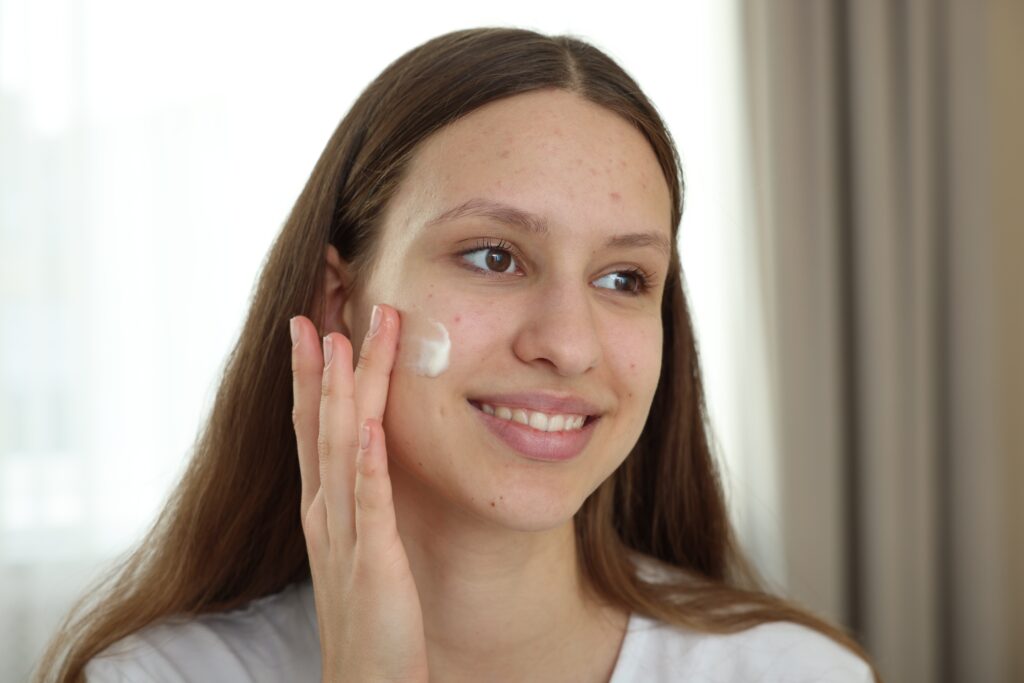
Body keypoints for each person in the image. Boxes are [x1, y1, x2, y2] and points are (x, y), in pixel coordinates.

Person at [36, 27, 879, 682]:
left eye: (624, 277)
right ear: (342, 300)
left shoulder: (794, 673)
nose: (568, 343)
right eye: (493, 256)